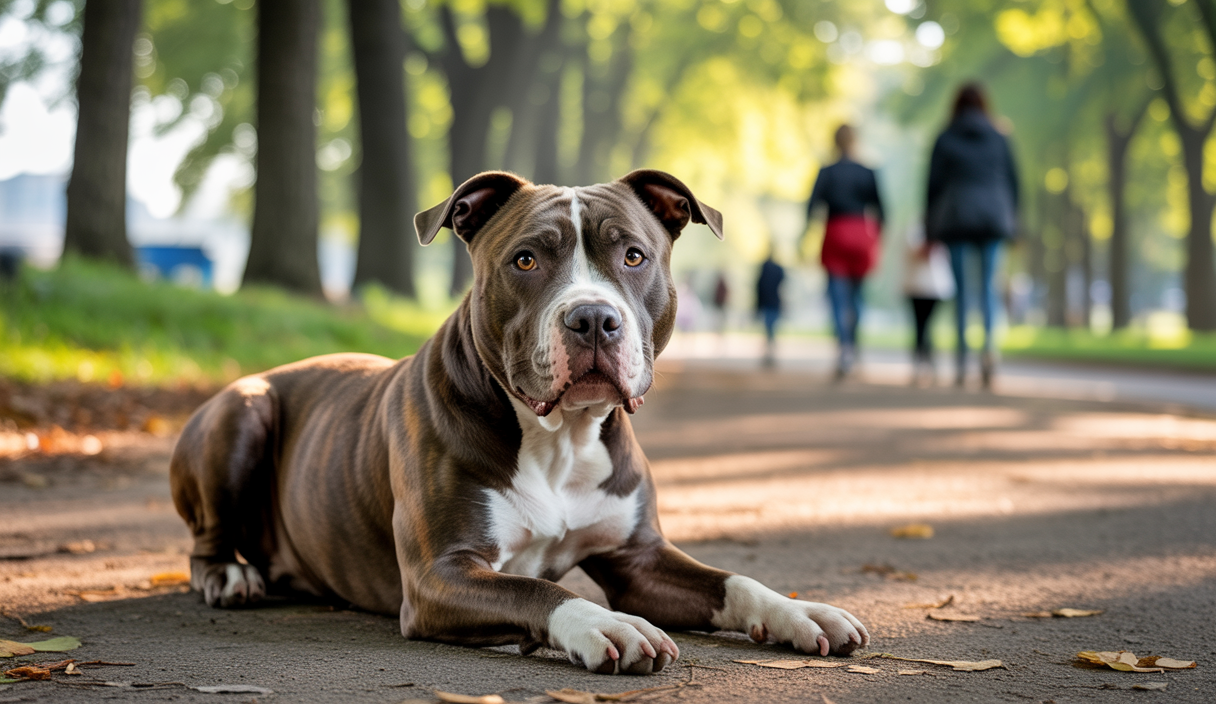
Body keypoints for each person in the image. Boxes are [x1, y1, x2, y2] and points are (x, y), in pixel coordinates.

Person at [925, 82, 1019, 388]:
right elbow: (1013, 182)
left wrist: (929, 229)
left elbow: (932, 186)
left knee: (963, 292)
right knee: (989, 289)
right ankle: (989, 353)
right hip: (993, 218)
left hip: (957, 219)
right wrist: (1015, 222)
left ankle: (962, 361)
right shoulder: (999, 136)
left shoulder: (945, 137)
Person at [805, 124, 885, 379]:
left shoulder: (827, 172)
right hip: (862, 233)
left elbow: (811, 206)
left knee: (838, 298)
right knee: (858, 297)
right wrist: (878, 237)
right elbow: (882, 210)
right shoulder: (867, 172)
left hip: (836, 232)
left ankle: (844, 349)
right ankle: (854, 344)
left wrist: (806, 234)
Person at [902, 223, 954, 386]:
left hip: (935, 287)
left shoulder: (943, 226)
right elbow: (917, 252)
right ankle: (922, 363)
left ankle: (926, 363)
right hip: (916, 286)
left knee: (926, 326)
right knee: (920, 326)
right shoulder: (916, 227)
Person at [755, 254, 785, 367]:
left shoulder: (764, 271)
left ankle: (769, 351)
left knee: (769, 328)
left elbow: (758, 287)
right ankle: (770, 351)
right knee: (771, 328)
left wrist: (758, 305)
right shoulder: (778, 270)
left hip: (768, 303)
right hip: (774, 303)